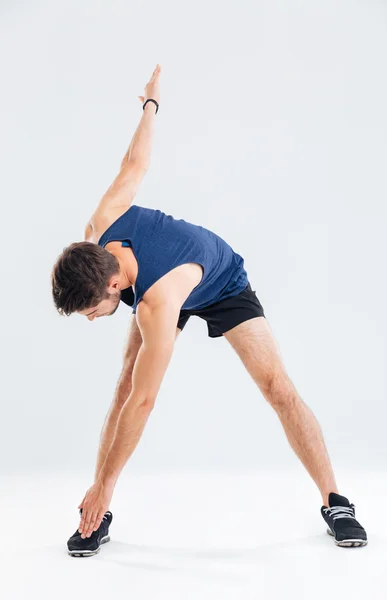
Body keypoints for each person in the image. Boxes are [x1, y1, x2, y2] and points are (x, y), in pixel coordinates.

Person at [51, 64, 367, 557]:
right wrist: (150, 104)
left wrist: (107, 483)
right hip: (163, 279)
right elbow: (134, 163)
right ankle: (97, 514)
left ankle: (336, 500)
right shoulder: (103, 224)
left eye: (91, 310)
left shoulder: (154, 305)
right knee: (122, 382)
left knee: (276, 387)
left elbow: (145, 402)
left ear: (113, 282)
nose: (91, 318)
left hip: (219, 282)